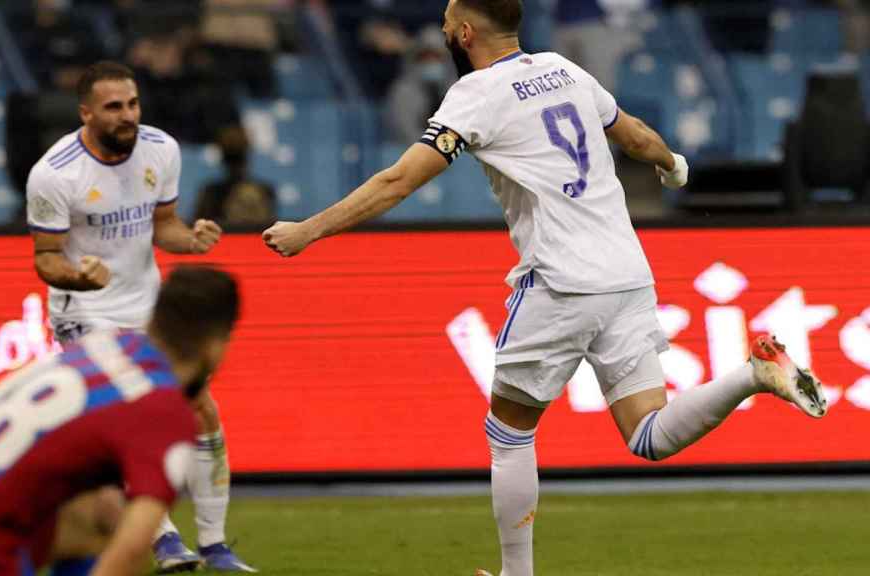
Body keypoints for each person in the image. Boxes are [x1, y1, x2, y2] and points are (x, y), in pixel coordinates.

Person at [261, 2, 830, 575]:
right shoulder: (564, 69)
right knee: (649, 436)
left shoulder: (475, 94)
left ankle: (517, 574)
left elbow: (398, 179)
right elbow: (632, 134)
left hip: (562, 280)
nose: (439, 27)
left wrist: (309, 230)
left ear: (463, 33)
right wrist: (674, 164)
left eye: (445, 19)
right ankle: (752, 375)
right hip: (626, 272)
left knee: (508, 432)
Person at [25, 61, 256, 573]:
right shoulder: (54, 173)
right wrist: (77, 275)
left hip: (145, 307)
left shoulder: (161, 149)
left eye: (132, 104)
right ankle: (164, 537)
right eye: (113, 108)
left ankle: (216, 547)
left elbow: (164, 227)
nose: (127, 116)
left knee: (202, 412)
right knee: (136, 416)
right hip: (84, 310)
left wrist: (190, 241)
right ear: (86, 112)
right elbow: (45, 258)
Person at [0, 265, 240, 576]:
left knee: (100, 518)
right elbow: (132, 548)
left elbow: (103, 505)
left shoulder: (105, 347)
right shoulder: (162, 407)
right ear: (215, 345)